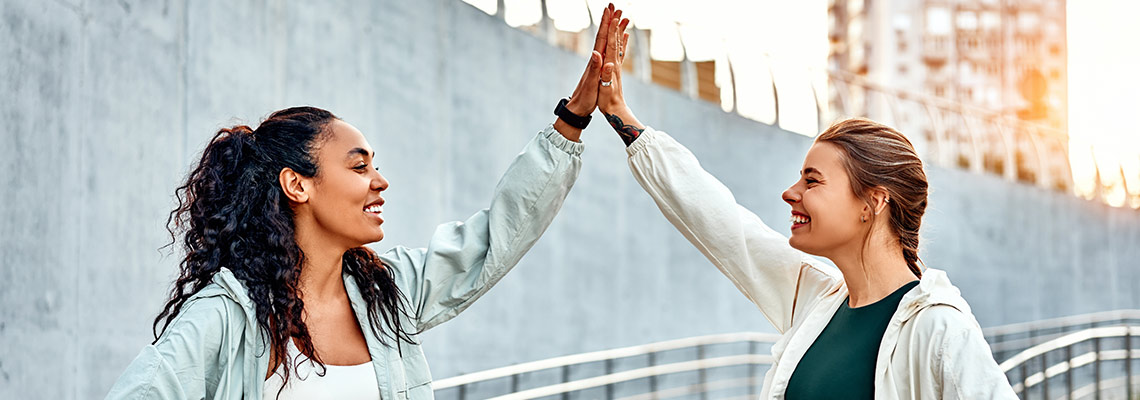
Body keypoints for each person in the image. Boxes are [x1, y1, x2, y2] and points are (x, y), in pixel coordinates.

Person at [105, 5, 630, 399]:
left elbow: (495, 238)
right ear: (297, 185)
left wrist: (573, 120)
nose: (379, 181)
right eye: (358, 166)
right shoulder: (226, 319)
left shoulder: (386, 294)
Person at [591, 10, 1018, 399]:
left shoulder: (938, 329)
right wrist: (620, 116)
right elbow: (721, 223)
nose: (790, 192)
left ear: (873, 201)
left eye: (812, 180)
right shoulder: (816, 299)